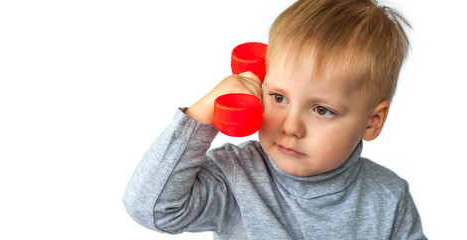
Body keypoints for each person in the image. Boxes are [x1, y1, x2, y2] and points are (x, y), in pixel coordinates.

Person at [123, 0, 426, 239]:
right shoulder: (235, 176)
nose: (290, 127)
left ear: (372, 122)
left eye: (322, 110)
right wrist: (201, 116)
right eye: (278, 98)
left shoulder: (390, 199)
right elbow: (152, 209)